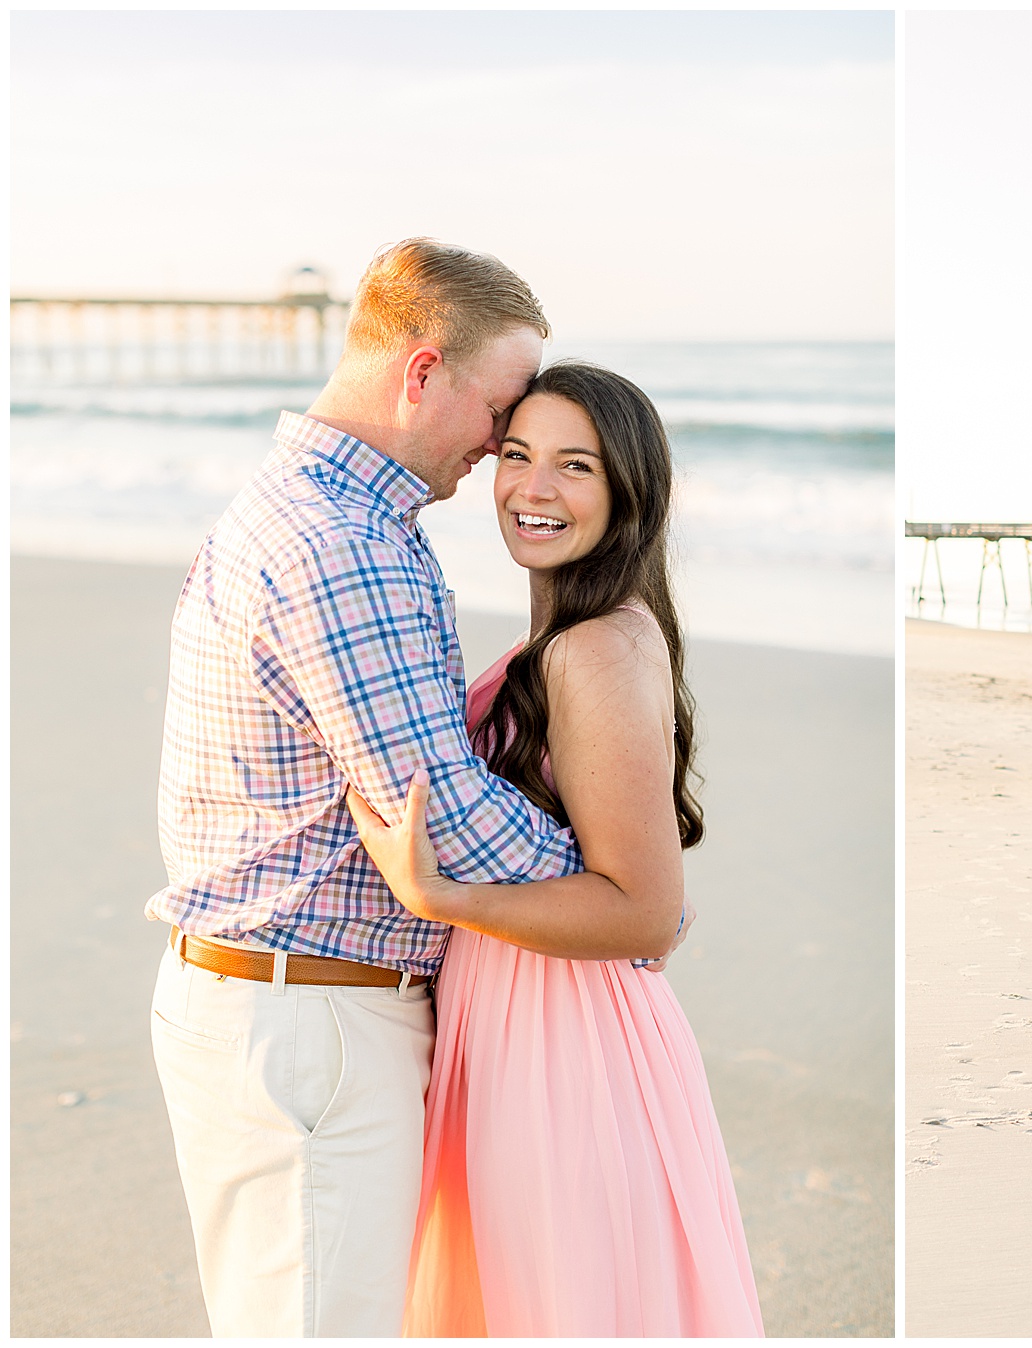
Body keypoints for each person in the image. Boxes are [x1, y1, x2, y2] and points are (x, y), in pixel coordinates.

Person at [146, 240, 677, 1337]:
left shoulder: (303, 511)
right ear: (423, 372)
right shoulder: (345, 544)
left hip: (288, 1007)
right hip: (310, 1022)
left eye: (563, 456)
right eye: (502, 418)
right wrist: (624, 899)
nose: (500, 454)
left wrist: (626, 898)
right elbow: (445, 817)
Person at [346, 361, 764, 1337]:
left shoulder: (594, 649)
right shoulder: (567, 638)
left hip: (562, 1041)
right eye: (518, 455)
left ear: (627, 492)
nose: (533, 488)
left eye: (574, 466)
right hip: (523, 1014)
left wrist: (441, 896)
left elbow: (645, 908)